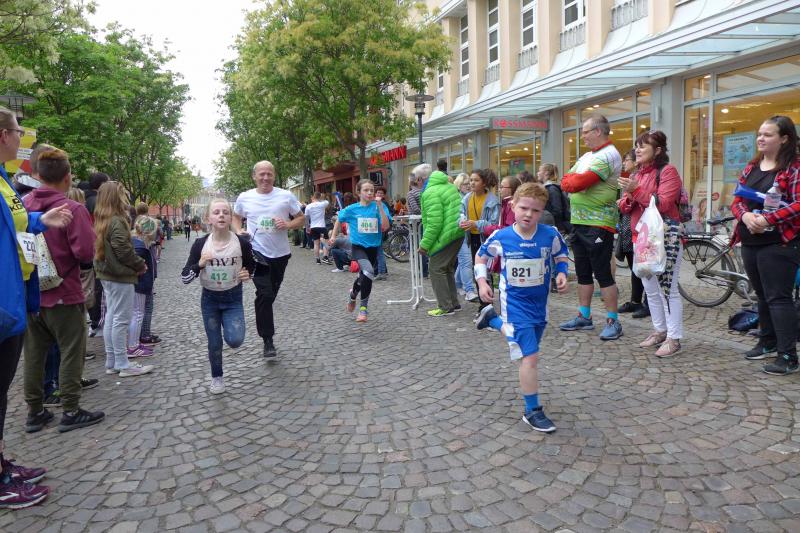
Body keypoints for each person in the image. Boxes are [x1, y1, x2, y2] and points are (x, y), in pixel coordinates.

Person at [0, 106, 74, 508]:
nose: (21, 136)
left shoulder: (5, 180)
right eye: (17, 130)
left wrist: (40, 219)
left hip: (15, 297)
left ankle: (2, 466)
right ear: (2, 135)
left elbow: (15, 225)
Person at [473, 182, 569, 433]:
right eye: (524, 208)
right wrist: (482, 282)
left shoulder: (550, 234)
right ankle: (532, 410)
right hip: (514, 304)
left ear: (542, 211)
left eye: (535, 211)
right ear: (512, 206)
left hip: (540, 305)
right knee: (530, 356)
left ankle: (492, 320)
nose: (528, 214)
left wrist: (561, 273)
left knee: (525, 349)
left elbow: (561, 254)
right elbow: (481, 256)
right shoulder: (501, 236)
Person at [21, 148, 105, 434]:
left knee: (34, 354)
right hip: (64, 291)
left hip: (32, 293)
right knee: (71, 350)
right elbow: (85, 252)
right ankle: (71, 409)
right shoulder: (73, 209)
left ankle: (35, 411)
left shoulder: (23, 205)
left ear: (37, 175)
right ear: (67, 177)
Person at [731, 115, 800, 375]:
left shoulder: (794, 168)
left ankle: (788, 356)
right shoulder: (752, 167)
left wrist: (767, 219)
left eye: (768, 134)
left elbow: (798, 204)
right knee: (762, 296)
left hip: (779, 243)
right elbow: (737, 200)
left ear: (784, 139)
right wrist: (746, 216)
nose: (760, 138)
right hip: (750, 240)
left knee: (778, 298)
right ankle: (767, 342)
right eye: (759, 133)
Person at [618, 131, 684, 357]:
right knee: (651, 289)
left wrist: (635, 190)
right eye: (636, 145)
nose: (637, 150)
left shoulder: (668, 171)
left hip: (664, 238)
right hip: (642, 238)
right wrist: (628, 197)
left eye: (643, 146)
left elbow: (663, 204)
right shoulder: (637, 174)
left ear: (657, 151)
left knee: (668, 289)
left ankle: (674, 338)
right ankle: (659, 330)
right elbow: (626, 207)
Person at [559, 113, 623, 340]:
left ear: (598, 131)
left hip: (598, 223)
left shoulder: (609, 154)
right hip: (579, 222)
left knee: (603, 274)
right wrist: (571, 181)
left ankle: (613, 320)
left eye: (585, 131)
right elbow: (565, 180)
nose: (582, 136)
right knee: (583, 272)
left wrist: (573, 182)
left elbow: (578, 182)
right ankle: (584, 316)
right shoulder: (588, 155)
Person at [233, 160, 304, 358]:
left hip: (280, 255)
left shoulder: (286, 196)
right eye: (261, 174)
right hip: (256, 253)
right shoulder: (245, 197)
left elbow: (301, 218)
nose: (265, 178)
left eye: (269, 174)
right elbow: (236, 217)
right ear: (254, 176)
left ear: (274, 176)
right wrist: (238, 230)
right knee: (265, 294)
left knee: (270, 295)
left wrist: (288, 224)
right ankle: (268, 339)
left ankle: (264, 318)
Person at [182, 198, 254, 393]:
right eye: (216, 212)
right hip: (210, 300)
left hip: (233, 298)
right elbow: (185, 277)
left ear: (231, 218)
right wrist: (199, 265)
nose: (221, 215)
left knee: (235, 340)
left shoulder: (242, 243)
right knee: (214, 343)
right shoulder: (200, 244)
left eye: (225, 212)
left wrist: (248, 273)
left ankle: (230, 332)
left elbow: (253, 266)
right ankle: (217, 377)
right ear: (208, 218)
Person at [94, 181, 155, 378]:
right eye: (123, 194)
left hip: (108, 275)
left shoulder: (102, 219)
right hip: (119, 275)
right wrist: (139, 265)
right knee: (120, 319)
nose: (126, 198)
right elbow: (123, 249)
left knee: (112, 317)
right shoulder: (117, 220)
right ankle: (122, 363)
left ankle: (113, 361)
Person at [328, 179, 391, 323]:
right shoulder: (352, 209)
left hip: (373, 247)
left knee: (365, 275)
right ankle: (363, 309)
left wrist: (380, 207)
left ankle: (353, 295)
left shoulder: (379, 206)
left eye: (372, 190)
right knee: (369, 271)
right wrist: (333, 236)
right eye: (366, 190)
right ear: (359, 192)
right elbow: (339, 219)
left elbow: (386, 226)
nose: (370, 193)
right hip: (358, 247)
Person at [419, 162, 464, 317]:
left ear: (422, 180)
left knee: (436, 268)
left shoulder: (430, 192)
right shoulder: (450, 186)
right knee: (447, 268)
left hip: (446, 235)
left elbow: (434, 223)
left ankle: (445, 306)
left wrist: (424, 245)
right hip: (457, 233)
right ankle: (453, 303)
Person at [460, 168, 500, 310]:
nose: (472, 183)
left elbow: (493, 224)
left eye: (476, 180)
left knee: (486, 272)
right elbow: (461, 214)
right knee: (477, 270)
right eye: (471, 180)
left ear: (484, 183)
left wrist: (476, 224)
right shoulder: (466, 198)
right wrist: (462, 222)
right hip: (472, 237)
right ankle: (483, 305)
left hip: (486, 239)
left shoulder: (492, 201)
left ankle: (487, 305)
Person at [616, 150, 648, 318]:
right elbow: (626, 203)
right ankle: (636, 301)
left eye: (626, 159)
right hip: (629, 226)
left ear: (636, 162)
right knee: (635, 267)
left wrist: (624, 201)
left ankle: (646, 303)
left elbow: (631, 203)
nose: (624, 163)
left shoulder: (637, 179)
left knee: (642, 267)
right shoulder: (632, 177)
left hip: (638, 227)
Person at [127, 216, 157, 358]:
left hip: (137, 284)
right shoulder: (140, 247)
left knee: (136, 314)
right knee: (137, 314)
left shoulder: (135, 242)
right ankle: (132, 346)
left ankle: (134, 343)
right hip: (139, 285)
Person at [452, 173, 478, 302]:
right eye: (465, 184)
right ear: (459, 184)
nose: (468, 186)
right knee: (466, 261)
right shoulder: (458, 197)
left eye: (469, 183)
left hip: (467, 232)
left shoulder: (469, 196)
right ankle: (469, 290)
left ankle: (457, 284)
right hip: (460, 232)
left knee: (463, 261)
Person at [406, 171, 429, 278]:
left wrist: (421, 214)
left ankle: (423, 271)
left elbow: (415, 209)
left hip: (416, 223)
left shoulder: (411, 193)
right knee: (424, 245)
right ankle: (426, 270)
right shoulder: (424, 191)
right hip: (425, 221)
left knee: (417, 247)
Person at [538, 163, 572, 234]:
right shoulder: (549, 188)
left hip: (556, 227)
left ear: (546, 173)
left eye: (539, 171)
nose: (538, 173)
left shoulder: (552, 189)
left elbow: (557, 210)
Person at [305, 192, 330, 264]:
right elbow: (327, 201)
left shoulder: (308, 206)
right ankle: (325, 257)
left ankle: (317, 259)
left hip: (313, 227)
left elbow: (306, 218)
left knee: (316, 244)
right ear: (320, 197)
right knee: (326, 241)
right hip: (321, 226)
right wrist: (320, 199)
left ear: (313, 197)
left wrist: (307, 227)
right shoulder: (323, 204)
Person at [374, 186, 393, 280]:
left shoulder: (383, 205)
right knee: (376, 251)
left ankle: (381, 272)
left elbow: (388, 217)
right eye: (378, 192)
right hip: (371, 230)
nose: (379, 194)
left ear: (384, 195)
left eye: (381, 193)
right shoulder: (372, 203)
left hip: (379, 230)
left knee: (379, 251)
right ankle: (381, 271)